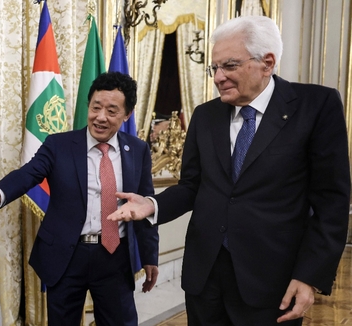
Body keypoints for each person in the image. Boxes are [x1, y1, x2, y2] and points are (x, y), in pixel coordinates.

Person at [109, 16, 350, 325]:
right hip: (205, 280)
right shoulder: (205, 115)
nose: (218, 77)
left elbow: (332, 203)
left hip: (272, 284)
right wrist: (152, 204)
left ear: (267, 62)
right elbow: (192, 186)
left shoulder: (315, 106)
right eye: (215, 68)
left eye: (229, 66)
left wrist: (310, 277)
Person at [0, 72, 159, 326]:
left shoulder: (137, 150)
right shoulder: (59, 145)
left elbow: (145, 204)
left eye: (112, 111)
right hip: (67, 256)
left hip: (115, 257)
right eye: (96, 108)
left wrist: (149, 256)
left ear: (127, 115)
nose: (100, 117)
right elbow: (29, 174)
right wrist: (0, 192)